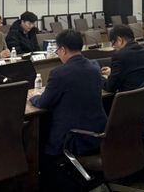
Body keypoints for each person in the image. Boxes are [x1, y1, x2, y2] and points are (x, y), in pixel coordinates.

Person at [29, 29, 107, 189]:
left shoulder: (59, 73)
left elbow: (44, 102)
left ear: (63, 49)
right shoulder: (94, 66)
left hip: (73, 137)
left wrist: (33, 97)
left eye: (57, 50)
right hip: (98, 131)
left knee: (38, 144)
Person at [101, 25, 144, 93]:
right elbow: (134, 72)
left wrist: (98, 78)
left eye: (113, 43)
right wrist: (112, 73)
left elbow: (110, 87)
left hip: (130, 97)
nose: (113, 47)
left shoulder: (119, 56)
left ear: (119, 40)